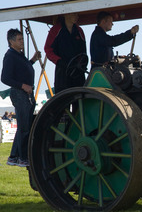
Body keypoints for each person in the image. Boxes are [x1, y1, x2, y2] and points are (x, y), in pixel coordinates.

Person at [1, 29, 41, 167]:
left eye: (22, 39)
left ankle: (13, 157)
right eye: (19, 39)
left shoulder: (19, 55)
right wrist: (23, 85)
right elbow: (5, 78)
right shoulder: (10, 56)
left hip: (26, 94)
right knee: (24, 128)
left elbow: (23, 69)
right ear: (11, 42)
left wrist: (33, 60)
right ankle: (23, 157)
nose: (22, 41)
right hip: (20, 94)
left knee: (24, 126)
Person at [44, 13, 87, 93]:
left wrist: (82, 64)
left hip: (77, 71)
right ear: (66, 15)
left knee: (79, 99)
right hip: (62, 71)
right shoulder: (55, 29)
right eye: (74, 14)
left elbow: (84, 52)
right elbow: (48, 49)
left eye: (77, 15)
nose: (76, 16)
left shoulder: (79, 30)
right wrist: (59, 61)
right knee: (63, 100)